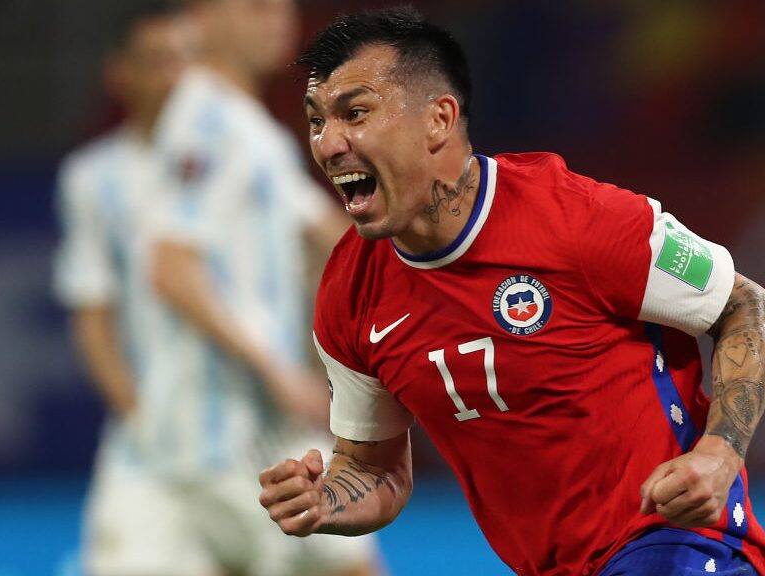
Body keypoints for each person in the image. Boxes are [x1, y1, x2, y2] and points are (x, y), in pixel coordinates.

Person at [258, 6, 765, 576]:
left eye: (355, 113)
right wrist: (325, 498)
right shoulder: (349, 295)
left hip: (676, 546)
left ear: (439, 119)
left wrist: (719, 453)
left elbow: (743, 304)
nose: (328, 144)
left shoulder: (578, 219)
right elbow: (375, 469)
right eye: (316, 121)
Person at [55, 1, 380, 575]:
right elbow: (172, 266)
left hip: (260, 428)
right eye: (256, 5)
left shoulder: (246, 126)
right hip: (194, 443)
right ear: (200, 18)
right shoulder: (206, 120)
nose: (278, 18)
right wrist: (280, 371)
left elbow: (328, 241)